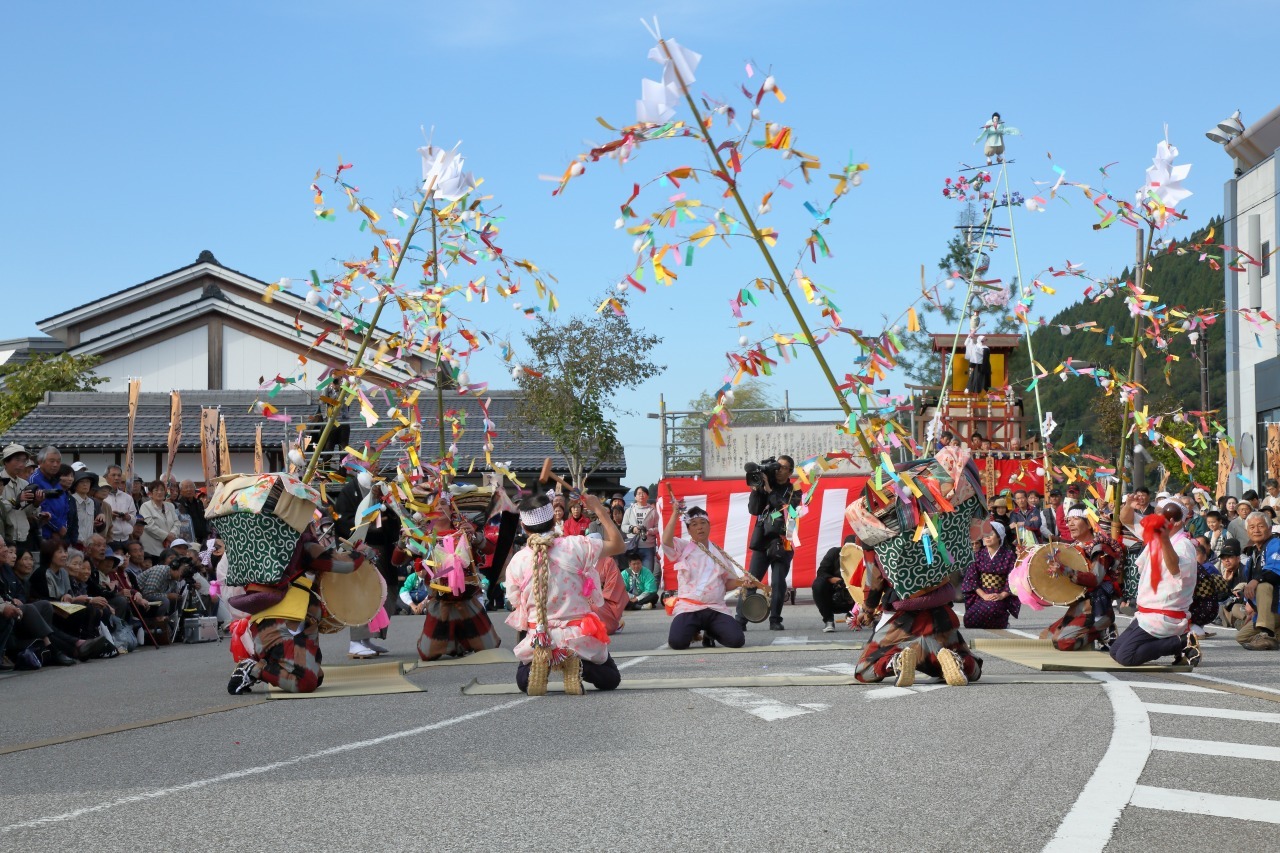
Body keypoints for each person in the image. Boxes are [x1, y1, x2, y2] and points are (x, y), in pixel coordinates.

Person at [504, 492, 624, 694]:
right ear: (554, 521)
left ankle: (539, 665)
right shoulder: (577, 545)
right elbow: (618, 545)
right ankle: (578, 664)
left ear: (524, 528)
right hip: (579, 637)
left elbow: (515, 602)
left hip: (540, 637)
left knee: (523, 679)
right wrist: (599, 510)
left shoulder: (518, 560)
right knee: (611, 679)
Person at [226, 524, 363, 695]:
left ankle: (267, 666)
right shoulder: (296, 539)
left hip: (286, 618)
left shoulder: (265, 537)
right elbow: (344, 564)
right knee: (303, 681)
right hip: (284, 619)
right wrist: (361, 553)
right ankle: (253, 668)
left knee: (316, 677)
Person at [854, 557, 982, 687]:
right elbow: (951, 565)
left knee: (864, 670)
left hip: (902, 621)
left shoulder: (882, 544)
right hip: (941, 617)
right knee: (973, 670)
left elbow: (874, 583)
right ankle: (958, 661)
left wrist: (867, 610)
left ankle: (897, 661)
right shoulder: (937, 539)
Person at [1108, 500, 1201, 667]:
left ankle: (1181, 642)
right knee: (1115, 651)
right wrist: (1129, 504)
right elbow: (1126, 519)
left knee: (1126, 657)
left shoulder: (1184, 545)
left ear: (1177, 521)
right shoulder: (1156, 535)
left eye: (1161, 514)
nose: (1155, 517)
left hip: (1165, 614)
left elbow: (1175, 569)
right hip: (1147, 612)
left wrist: (1165, 539)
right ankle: (1177, 644)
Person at [662, 504, 763, 650]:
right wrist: (674, 514)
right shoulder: (683, 548)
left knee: (736, 641)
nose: (699, 527)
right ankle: (693, 630)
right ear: (689, 530)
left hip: (715, 608)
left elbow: (727, 583)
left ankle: (711, 632)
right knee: (677, 643)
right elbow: (666, 541)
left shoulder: (719, 554)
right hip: (689, 607)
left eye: (703, 523)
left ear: (709, 526)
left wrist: (742, 582)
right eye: (694, 524)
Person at [416, 503, 501, 661]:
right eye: (434, 504)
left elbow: (490, 549)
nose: (439, 507)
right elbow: (397, 560)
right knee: (427, 654)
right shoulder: (422, 534)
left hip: (467, 599)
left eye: (442, 503)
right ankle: (453, 644)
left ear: (450, 506)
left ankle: (461, 643)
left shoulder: (464, 528)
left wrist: (475, 535)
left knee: (489, 648)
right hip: (440, 602)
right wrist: (402, 542)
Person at [1041, 509, 1124, 651]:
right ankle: (1099, 631)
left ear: (1090, 524)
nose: (1070, 524)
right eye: (1068, 520)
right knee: (1046, 638)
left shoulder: (1101, 548)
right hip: (1080, 604)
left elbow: (1095, 580)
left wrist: (1065, 569)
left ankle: (1102, 628)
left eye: (1076, 519)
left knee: (1062, 642)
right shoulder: (1075, 547)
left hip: (1096, 604)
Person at [745, 455, 801, 631]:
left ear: (790, 471)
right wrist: (757, 490)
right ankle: (740, 619)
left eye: (782, 467)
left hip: (784, 538)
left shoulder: (795, 490)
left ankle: (775, 619)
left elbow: (789, 511)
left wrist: (770, 492)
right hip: (763, 537)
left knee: (778, 581)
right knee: (751, 580)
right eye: (776, 467)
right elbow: (753, 510)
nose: (777, 470)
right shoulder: (765, 484)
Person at [961, 522, 1020, 629]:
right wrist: (983, 595)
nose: (987, 537)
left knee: (991, 609)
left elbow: (1013, 578)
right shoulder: (978, 555)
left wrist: (1002, 595)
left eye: (991, 534)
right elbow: (971, 579)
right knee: (969, 620)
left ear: (999, 537)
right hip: (982, 595)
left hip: (999, 595)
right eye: (985, 534)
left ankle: (1003, 620)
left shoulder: (1009, 555)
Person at [1236, 511, 1280, 651]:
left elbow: (1274, 572)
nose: (1256, 530)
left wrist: (1256, 580)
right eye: (1252, 527)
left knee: (1263, 585)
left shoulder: (1276, 544)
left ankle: (1267, 634)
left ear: (1269, 528)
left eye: (1260, 526)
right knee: (1242, 637)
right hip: (1268, 610)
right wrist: (1255, 608)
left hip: (1277, 604)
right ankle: (1275, 634)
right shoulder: (1253, 554)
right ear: (1247, 531)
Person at [1, 444, 43, 560]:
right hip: (5, 537)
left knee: (22, 568)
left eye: (24, 461)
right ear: (6, 462)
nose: (21, 465)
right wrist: (16, 500)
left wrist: (36, 503)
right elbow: (1, 508)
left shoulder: (24, 484)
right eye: (17, 460)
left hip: (24, 536)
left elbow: (28, 512)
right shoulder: (1, 482)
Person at [812, 536, 856, 632]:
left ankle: (855, 615)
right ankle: (828, 620)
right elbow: (821, 572)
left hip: (855, 593)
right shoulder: (834, 553)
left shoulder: (863, 557)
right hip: (835, 590)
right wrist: (833, 579)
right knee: (818, 584)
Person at [28, 446, 71, 546]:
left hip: (60, 535)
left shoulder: (57, 482)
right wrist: (59, 528)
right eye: (51, 461)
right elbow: (42, 507)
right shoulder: (34, 480)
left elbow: (65, 508)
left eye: (58, 461)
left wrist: (63, 527)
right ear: (40, 461)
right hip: (43, 535)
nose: (55, 465)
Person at [1189, 538, 1229, 639]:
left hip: (1205, 607)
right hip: (1210, 607)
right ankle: (1197, 628)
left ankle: (1195, 630)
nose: (1194, 558)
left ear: (1204, 556)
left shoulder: (1202, 568)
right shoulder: (1203, 567)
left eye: (1196, 555)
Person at [620, 486, 660, 574]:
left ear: (648, 496)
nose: (641, 495)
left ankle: (646, 588)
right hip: (632, 546)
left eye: (643, 493)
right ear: (635, 497)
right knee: (632, 573)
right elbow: (623, 527)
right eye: (639, 493)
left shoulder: (653, 511)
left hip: (648, 546)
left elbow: (658, 528)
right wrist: (632, 529)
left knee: (648, 572)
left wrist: (649, 531)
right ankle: (634, 588)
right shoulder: (629, 511)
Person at [139, 480, 180, 560]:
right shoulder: (145, 506)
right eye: (156, 490)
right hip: (152, 549)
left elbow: (177, 522)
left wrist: (172, 534)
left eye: (162, 490)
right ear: (150, 493)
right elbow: (149, 526)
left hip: (168, 548)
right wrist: (166, 536)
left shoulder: (170, 506)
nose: (160, 492)